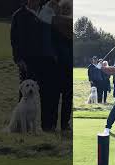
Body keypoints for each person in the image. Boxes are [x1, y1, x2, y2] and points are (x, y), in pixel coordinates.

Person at [10, 0, 59, 132]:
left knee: (49, 94)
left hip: (47, 59)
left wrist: (55, 54)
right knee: (25, 92)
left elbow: (54, 35)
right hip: (28, 60)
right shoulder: (19, 15)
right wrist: (18, 58)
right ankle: (21, 128)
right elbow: (14, 39)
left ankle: (48, 126)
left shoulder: (48, 12)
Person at [52, 0, 73, 132]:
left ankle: (62, 124)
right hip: (59, 65)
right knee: (60, 97)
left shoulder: (56, 21)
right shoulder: (56, 22)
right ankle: (60, 125)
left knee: (65, 97)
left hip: (65, 66)